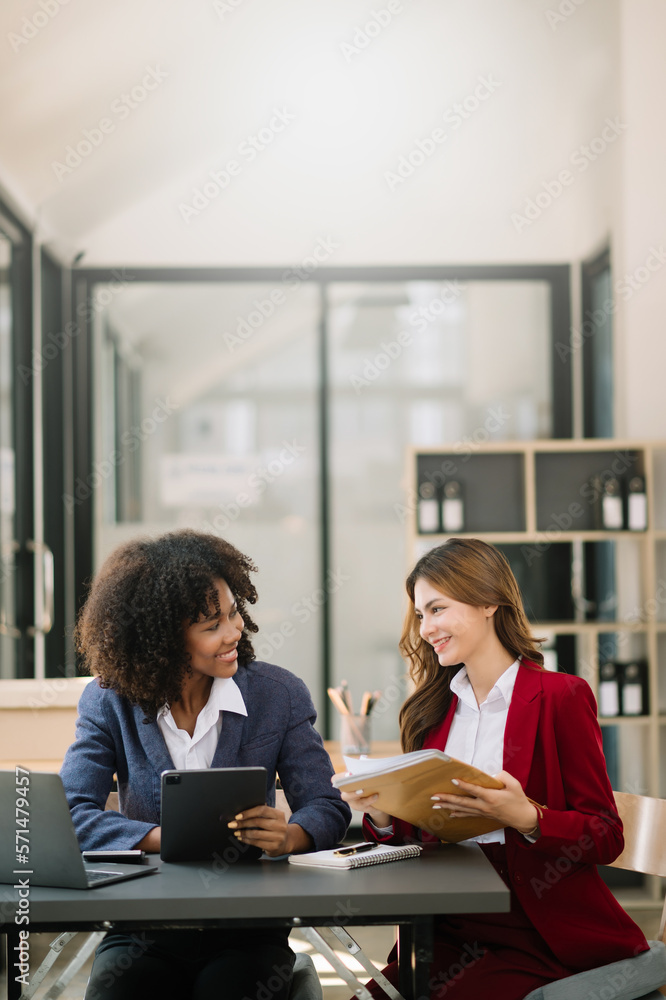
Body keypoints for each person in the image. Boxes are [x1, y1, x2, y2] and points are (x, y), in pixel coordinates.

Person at [340, 537, 648, 1000]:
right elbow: (413, 839)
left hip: (533, 929)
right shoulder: (430, 712)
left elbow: (606, 834)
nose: (426, 628)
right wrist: (381, 813)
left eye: (438, 609)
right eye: (421, 615)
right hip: (441, 925)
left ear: (488, 602)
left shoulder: (560, 697)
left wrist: (527, 817)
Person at [60, 528, 350, 1000]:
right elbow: (71, 815)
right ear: (164, 639)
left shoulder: (278, 695)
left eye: (233, 614)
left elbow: (326, 805)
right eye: (212, 625)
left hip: (248, 930)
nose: (234, 632)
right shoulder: (108, 701)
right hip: (142, 930)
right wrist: (166, 839)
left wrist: (291, 835)